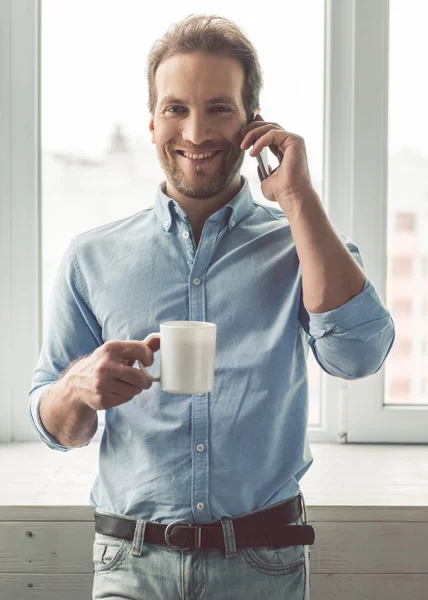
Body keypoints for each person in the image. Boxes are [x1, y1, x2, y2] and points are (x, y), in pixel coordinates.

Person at [28, 13, 395, 600]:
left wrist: (297, 195)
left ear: (254, 123)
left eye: (219, 108)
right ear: (152, 122)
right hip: (131, 562)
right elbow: (56, 429)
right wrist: (76, 388)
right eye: (176, 108)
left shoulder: (302, 243)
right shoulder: (90, 257)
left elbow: (358, 357)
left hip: (264, 566)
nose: (196, 133)